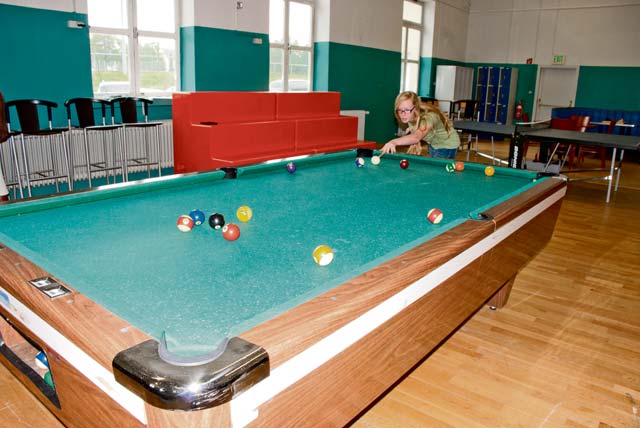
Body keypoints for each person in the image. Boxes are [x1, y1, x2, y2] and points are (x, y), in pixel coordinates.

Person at [380, 91, 460, 159]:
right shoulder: (411, 115)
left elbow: (416, 137)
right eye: (400, 110)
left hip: (447, 145)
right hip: (434, 144)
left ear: (415, 108)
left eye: (407, 110)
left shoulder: (429, 117)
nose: (403, 114)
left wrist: (393, 142)